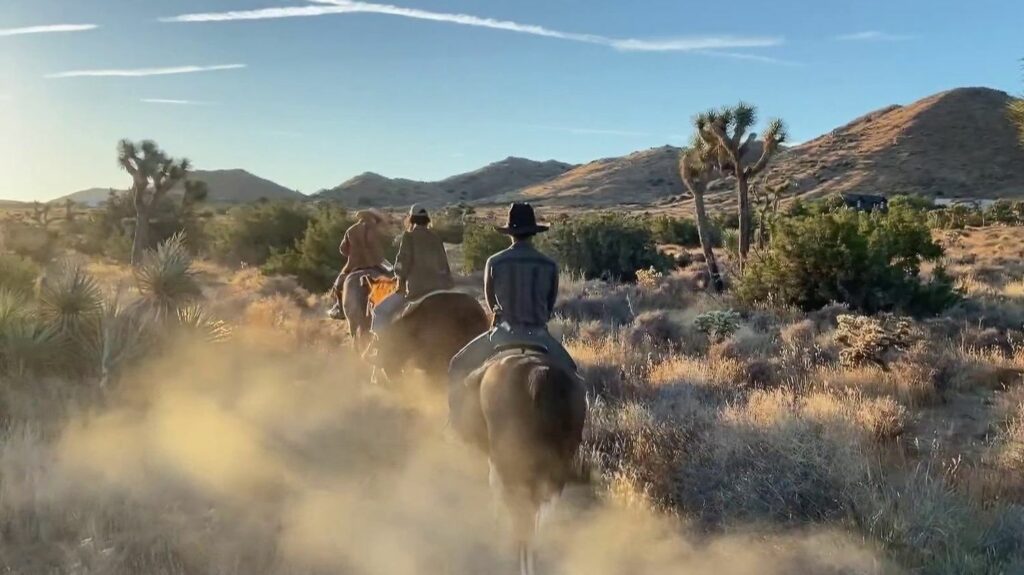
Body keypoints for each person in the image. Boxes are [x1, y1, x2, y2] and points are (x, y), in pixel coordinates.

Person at [447, 203, 579, 433]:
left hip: (502, 334)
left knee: (457, 365)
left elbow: (491, 302)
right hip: (539, 335)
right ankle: (576, 433)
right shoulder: (549, 264)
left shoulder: (495, 261)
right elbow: (549, 305)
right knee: (573, 375)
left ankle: (456, 424)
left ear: (510, 233)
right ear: (533, 232)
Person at [328, 208, 388, 320]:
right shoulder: (376, 230)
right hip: (375, 264)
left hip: (354, 265)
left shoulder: (351, 230)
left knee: (338, 284)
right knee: (393, 280)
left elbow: (342, 249)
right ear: (372, 218)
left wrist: (353, 254)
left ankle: (339, 308)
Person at [393, 204, 454, 300]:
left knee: (388, 311)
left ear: (412, 219)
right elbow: (443, 264)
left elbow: (403, 261)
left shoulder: (409, 237)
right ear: (426, 219)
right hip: (438, 288)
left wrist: (399, 277)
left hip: (416, 289)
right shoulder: (435, 237)